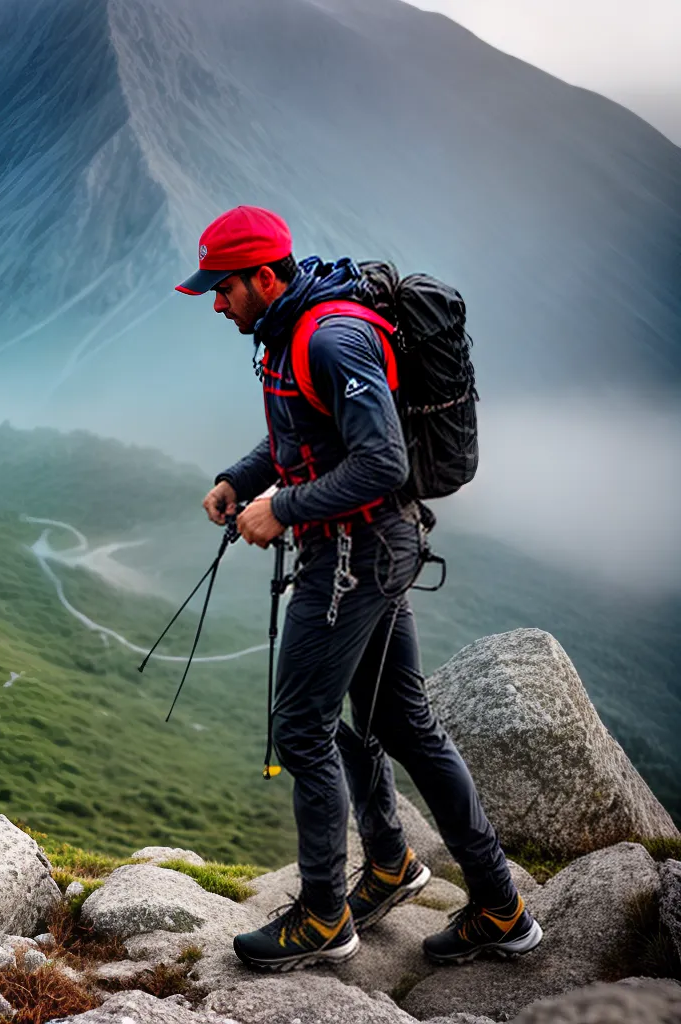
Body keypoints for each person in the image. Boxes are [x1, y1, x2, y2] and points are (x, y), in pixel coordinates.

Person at [178, 205, 543, 972]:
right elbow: (310, 433)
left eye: (223, 287)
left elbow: (381, 463)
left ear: (266, 277)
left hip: (354, 557)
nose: (216, 302)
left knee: (303, 728)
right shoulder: (290, 330)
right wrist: (242, 478)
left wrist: (280, 508)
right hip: (372, 550)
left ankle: (321, 918)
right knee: (399, 726)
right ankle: (485, 902)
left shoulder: (330, 336)